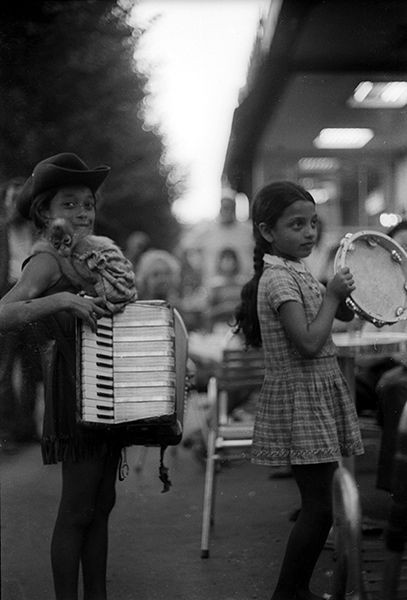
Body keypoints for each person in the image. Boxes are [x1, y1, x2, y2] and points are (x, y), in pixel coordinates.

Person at [0, 151, 137, 600]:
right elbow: (4, 312)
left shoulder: (93, 257)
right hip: (75, 392)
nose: (82, 213)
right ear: (44, 212)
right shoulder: (46, 260)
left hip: (105, 386)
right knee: (77, 510)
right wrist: (62, 301)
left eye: (88, 204)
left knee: (102, 507)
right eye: (69, 204)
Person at [234, 181, 364, 600]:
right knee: (319, 506)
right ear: (268, 232)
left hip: (314, 394)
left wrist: (346, 299)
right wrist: (331, 297)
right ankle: (288, 592)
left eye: (312, 223)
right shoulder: (277, 280)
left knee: (320, 503)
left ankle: (294, 590)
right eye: (296, 225)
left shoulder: (295, 270)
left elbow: (332, 318)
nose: (309, 232)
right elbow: (308, 343)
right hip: (301, 398)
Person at [0, 177, 40, 451]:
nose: (16, 205)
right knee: (4, 368)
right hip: (5, 300)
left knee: (30, 369)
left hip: (33, 303)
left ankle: (26, 429)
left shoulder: (37, 234)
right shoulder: (2, 233)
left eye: (21, 200)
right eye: (12, 199)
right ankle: (7, 430)